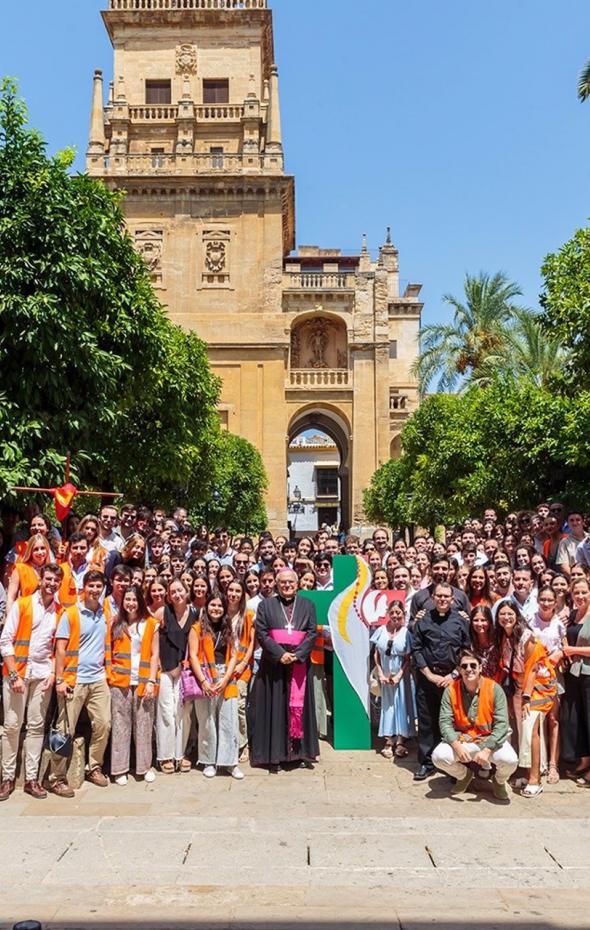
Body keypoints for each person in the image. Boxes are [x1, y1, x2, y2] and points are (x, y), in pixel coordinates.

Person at [0, 564, 64, 800]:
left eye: (56, 580)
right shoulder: (23, 604)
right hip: (17, 674)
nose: (52, 583)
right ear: (41, 580)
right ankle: (7, 778)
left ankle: (31, 779)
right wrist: (14, 674)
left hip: (42, 675)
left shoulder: (60, 611)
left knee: (36, 726)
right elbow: (5, 641)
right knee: (12, 725)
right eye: (48, 579)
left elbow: (58, 647)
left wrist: (53, 673)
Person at [47, 570, 112, 797]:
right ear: (84, 587)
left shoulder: (105, 613)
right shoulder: (71, 614)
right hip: (74, 680)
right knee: (64, 729)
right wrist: (60, 679)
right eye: (91, 586)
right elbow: (61, 649)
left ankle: (94, 766)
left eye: (98, 586)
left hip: (98, 678)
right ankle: (56, 778)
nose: (95, 590)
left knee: (104, 723)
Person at [250, 568, 319, 772]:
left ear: (297, 584)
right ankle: (275, 755)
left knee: (299, 707)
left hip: (299, 663)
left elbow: (312, 632)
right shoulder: (266, 605)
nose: (287, 585)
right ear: (276, 585)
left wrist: (298, 654)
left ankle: (300, 752)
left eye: (290, 582)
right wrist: (280, 654)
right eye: (283, 583)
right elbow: (262, 633)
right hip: (274, 665)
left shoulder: (308, 605)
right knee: (275, 707)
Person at [432, 649, 518, 801]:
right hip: (463, 740)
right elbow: (444, 722)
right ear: (459, 670)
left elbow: (502, 724)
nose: (469, 669)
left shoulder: (494, 689)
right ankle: (464, 776)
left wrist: (487, 749)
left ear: (480, 668)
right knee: (439, 757)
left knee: (510, 761)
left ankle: (499, 782)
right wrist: (456, 745)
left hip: (488, 741)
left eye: (473, 665)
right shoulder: (450, 690)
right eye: (464, 666)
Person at [410, 581, 471, 780]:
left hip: (452, 679)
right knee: (427, 722)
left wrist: (452, 675)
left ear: (452, 599)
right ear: (433, 598)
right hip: (428, 678)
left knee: (453, 723)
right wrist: (428, 674)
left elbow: (466, 650)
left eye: (446, 596)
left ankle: (453, 765)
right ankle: (427, 763)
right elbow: (417, 649)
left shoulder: (460, 621)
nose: (443, 599)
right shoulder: (423, 620)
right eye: (439, 596)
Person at [107, 586, 159, 785]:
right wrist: (110, 676)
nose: (130, 603)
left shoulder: (151, 623)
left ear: (140, 602)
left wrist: (152, 681)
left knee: (144, 725)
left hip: (143, 681)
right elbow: (108, 651)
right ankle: (120, 769)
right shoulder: (115, 623)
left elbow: (155, 654)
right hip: (120, 682)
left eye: (134, 600)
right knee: (121, 725)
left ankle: (145, 767)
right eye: (127, 599)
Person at [188, 593, 243, 779]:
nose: (216, 609)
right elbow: (193, 655)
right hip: (204, 676)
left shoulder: (230, 629)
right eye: (213, 605)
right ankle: (208, 761)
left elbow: (235, 655)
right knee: (207, 720)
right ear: (206, 606)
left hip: (226, 676)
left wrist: (226, 678)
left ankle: (229, 762)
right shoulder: (197, 628)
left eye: (220, 606)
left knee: (229, 720)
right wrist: (204, 681)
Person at [156, 578, 196, 774]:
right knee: (166, 713)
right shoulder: (162, 613)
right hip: (164, 669)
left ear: (186, 591)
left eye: (180, 590)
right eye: (173, 592)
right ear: (168, 596)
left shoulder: (194, 614)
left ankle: (180, 755)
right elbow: (153, 639)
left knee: (183, 713)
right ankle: (165, 756)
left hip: (185, 671)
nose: (177, 594)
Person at [529, 586, 565, 785]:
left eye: (550, 600)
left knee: (553, 719)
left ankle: (553, 764)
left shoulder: (559, 623)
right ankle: (537, 764)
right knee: (535, 721)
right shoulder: (529, 620)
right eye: (543, 599)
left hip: (553, 677)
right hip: (534, 677)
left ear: (555, 602)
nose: (546, 603)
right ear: (538, 600)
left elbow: (563, 648)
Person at [371, 599, 415, 758]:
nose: (396, 616)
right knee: (388, 706)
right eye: (393, 612)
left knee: (401, 706)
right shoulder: (381, 630)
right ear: (388, 613)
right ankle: (389, 739)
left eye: (399, 613)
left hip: (400, 677)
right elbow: (376, 653)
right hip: (385, 675)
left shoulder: (406, 633)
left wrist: (399, 675)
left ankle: (401, 740)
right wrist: (380, 672)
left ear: (403, 614)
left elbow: (408, 658)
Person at [561, 577, 590, 783]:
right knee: (576, 720)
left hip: (589, 675)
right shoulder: (572, 615)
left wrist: (572, 650)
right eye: (576, 593)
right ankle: (584, 760)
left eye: (584, 592)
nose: (580, 596)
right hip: (573, 675)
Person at [226, 578, 255, 762]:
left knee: (239, 706)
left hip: (241, 668)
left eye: (238, 591)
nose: (234, 594)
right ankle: (228, 742)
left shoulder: (249, 615)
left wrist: (244, 662)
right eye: (231, 590)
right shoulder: (220, 612)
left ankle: (243, 743)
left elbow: (253, 642)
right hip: (223, 666)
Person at [5, 534, 53, 613]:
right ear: (30, 551)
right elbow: (11, 597)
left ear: (47, 549)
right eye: (36, 549)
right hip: (25, 615)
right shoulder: (20, 569)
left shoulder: (51, 570)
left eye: (42, 548)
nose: (40, 552)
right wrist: (9, 618)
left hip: (46, 616)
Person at [469, 605, 500, 680]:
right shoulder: (469, 641)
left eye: (483, 620)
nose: (479, 624)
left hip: (498, 683)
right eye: (476, 620)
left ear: (489, 621)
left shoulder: (498, 639)